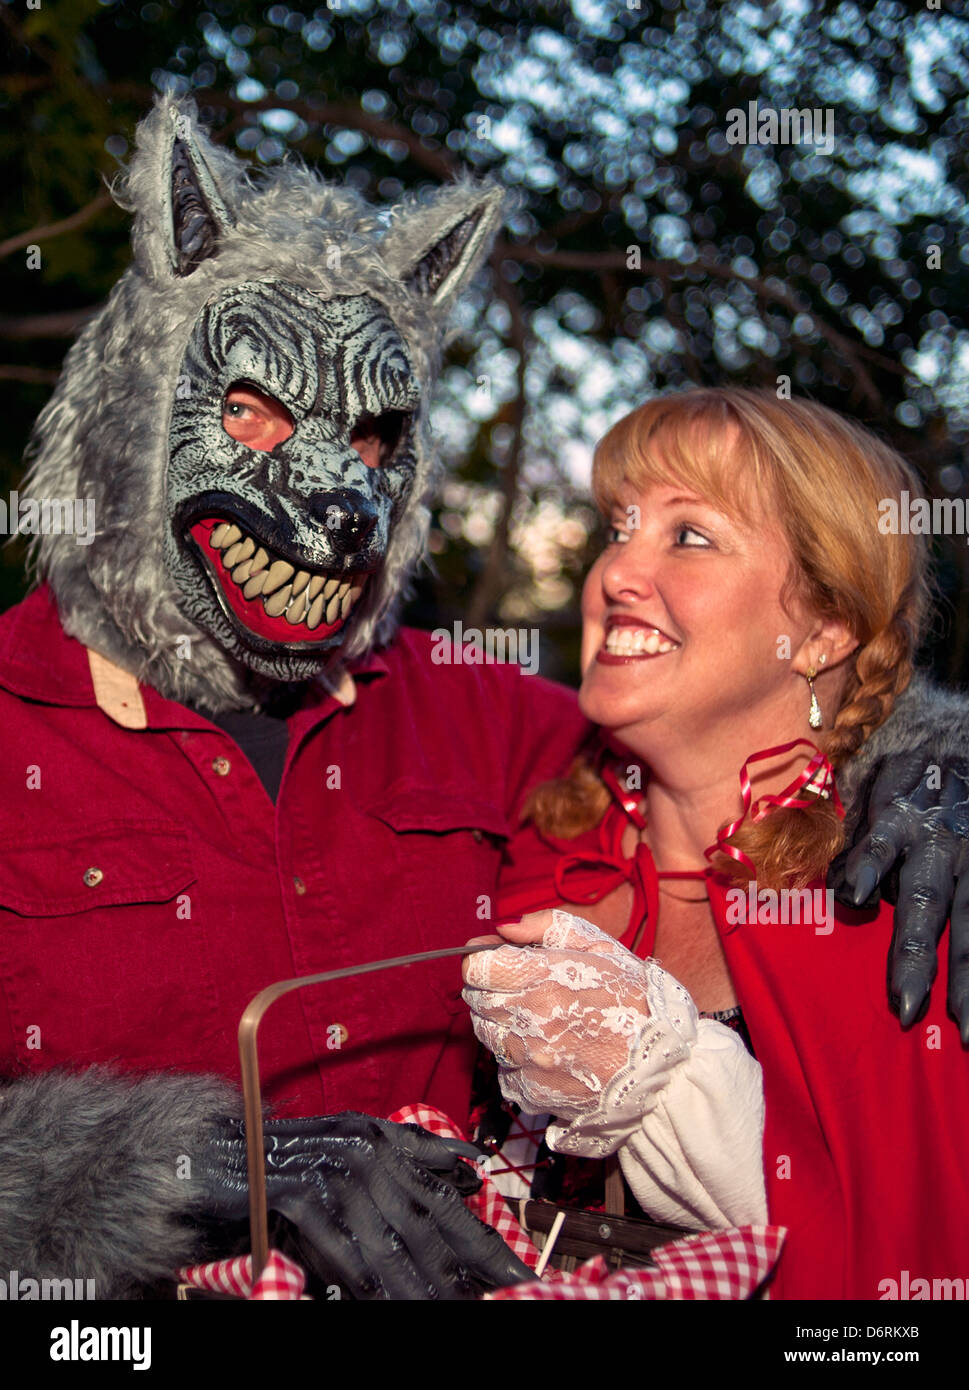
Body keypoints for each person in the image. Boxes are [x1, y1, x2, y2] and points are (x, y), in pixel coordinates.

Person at [1, 97, 966, 1300]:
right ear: (145, 401)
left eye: (370, 439)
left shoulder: (491, 725)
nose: (337, 491)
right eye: (251, 410)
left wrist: (935, 764)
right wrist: (174, 1170)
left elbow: (741, 724)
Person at [463, 387, 969, 1299]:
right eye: (619, 527)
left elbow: (911, 1261)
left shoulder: (900, 904)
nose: (615, 571)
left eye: (688, 535)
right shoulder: (541, 846)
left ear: (820, 631)